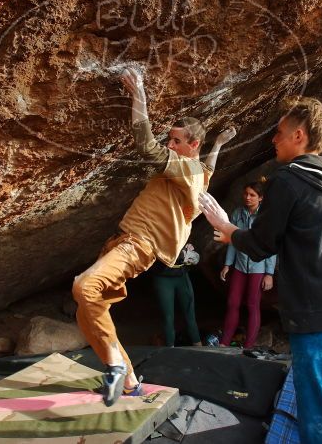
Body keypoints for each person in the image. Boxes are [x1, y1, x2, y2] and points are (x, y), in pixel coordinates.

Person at [200, 96, 322, 444]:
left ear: (299, 135)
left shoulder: (290, 180)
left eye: (279, 133)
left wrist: (227, 228)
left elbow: (262, 244)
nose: (273, 139)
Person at [72, 65, 236, 406]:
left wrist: (139, 92)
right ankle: (131, 382)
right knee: (88, 309)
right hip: (127, 243)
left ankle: (115, 366)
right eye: (170, 140)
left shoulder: (183, 166)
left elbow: (146, 144)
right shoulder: (196, 174)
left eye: (176, 141)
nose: (170, 144)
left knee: (85, 287)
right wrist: (219, 143)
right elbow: (209, 170)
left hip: (138, 244)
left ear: (192, 145)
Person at [218, 181, 276, 348]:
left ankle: (249, 346)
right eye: (246, 194)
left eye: (252, 195)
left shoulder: (266, 217)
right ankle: (224, 343)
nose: (248, 198)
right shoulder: (238, 213)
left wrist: (269, 274)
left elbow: (271, 247)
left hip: (258, 267)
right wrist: (228, 264)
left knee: (252, 304)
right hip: (240, 266)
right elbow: (232, 241)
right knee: (233, 302)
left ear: (261, 198)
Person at [149, 242, 202, 347]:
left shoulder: (182, 227)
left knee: (190, 315)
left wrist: (190, 247)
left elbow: (188, 244)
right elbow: (160, 251)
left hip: (182, 275)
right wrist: (183, 254)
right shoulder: (156, 228)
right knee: (168, 318)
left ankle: (200, 349)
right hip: (163, 276)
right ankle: (170, 351)